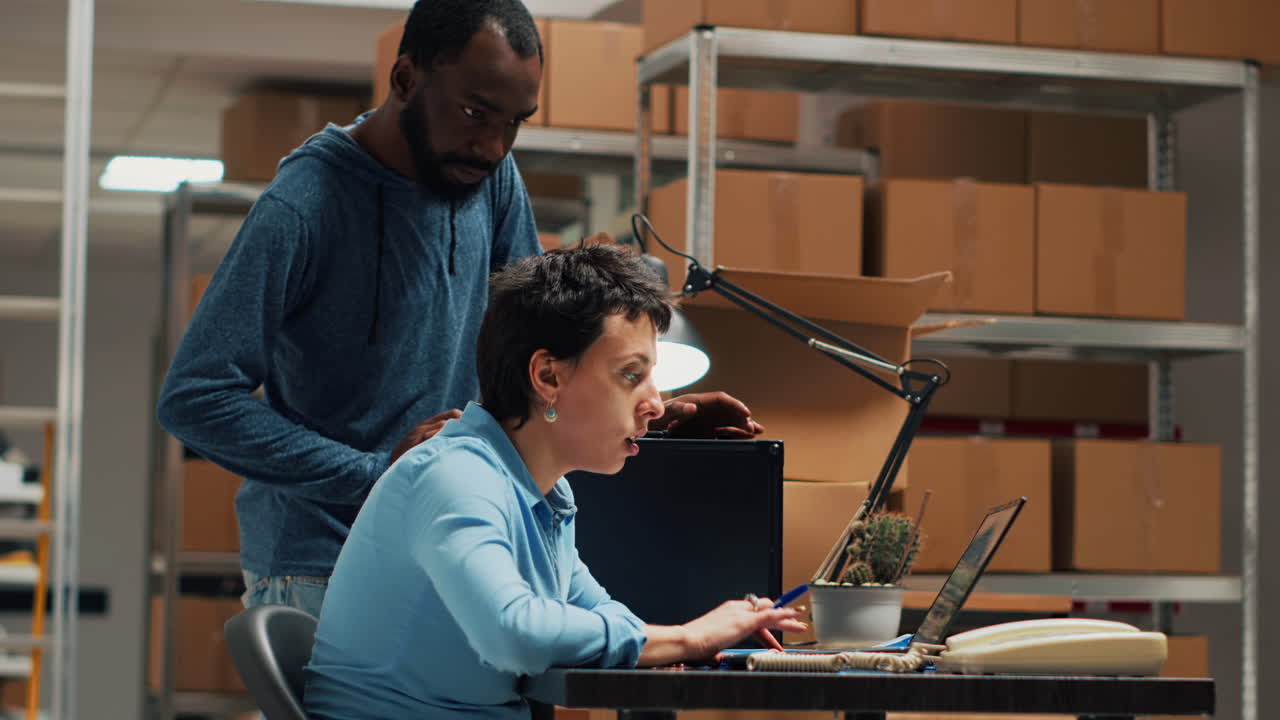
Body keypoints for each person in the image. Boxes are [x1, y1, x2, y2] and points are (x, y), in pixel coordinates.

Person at [155, 0, 763, 619]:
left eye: (514, 123)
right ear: (405, 80)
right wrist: (377, 471)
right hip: (326, 568)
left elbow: (537, 361)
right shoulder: (305, 205)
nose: (494, 146)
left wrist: (645, 419)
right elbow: (196, 398)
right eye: (475, 113)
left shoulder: (490, 181)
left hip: (460, 547)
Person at [304, 246, 802, 720]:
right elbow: (514, 631)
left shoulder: (543, 493)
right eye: (632, 376)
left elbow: (594, 609)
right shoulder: (455, 476)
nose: (655, 404)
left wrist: (707, 632)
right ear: (547, 377)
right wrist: (688, 638)